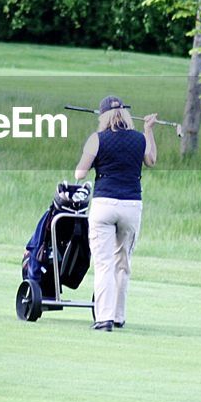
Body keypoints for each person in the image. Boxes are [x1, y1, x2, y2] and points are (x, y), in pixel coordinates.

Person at [74, 95, 157, 331]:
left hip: (104, 205)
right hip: (131, 206)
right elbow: (151, 160)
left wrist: (92, 162)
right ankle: (119, 316)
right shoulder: (139, 138)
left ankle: (105, 318)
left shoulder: (97, 139)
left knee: (104, 264)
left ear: (103, 117)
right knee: (123, 263)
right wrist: (149, 130)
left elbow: (80, 174)